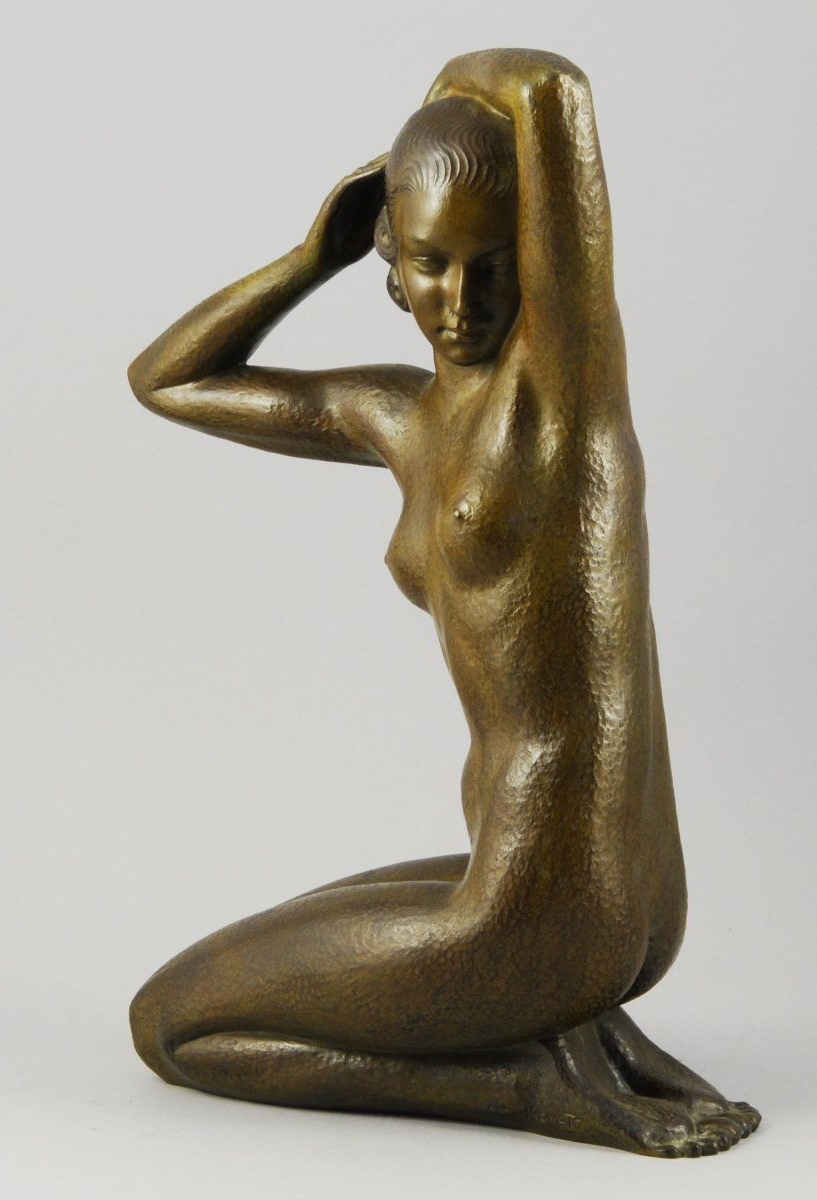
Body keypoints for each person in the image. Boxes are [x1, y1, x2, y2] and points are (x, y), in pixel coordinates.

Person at [126, 49, 759, 1156]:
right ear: (391, 258)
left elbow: (550, 91)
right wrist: (312, 254)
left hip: (552, 910)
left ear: (539, 264)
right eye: (428, 264)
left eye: (493, 266)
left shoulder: (559, 400)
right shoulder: (404, 418)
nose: (458, 303)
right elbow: (168, 379)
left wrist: (444, 93)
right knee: (277, 938)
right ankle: (573, 1032)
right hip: (565, 883)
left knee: (173, 1025)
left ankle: (531, 1092)